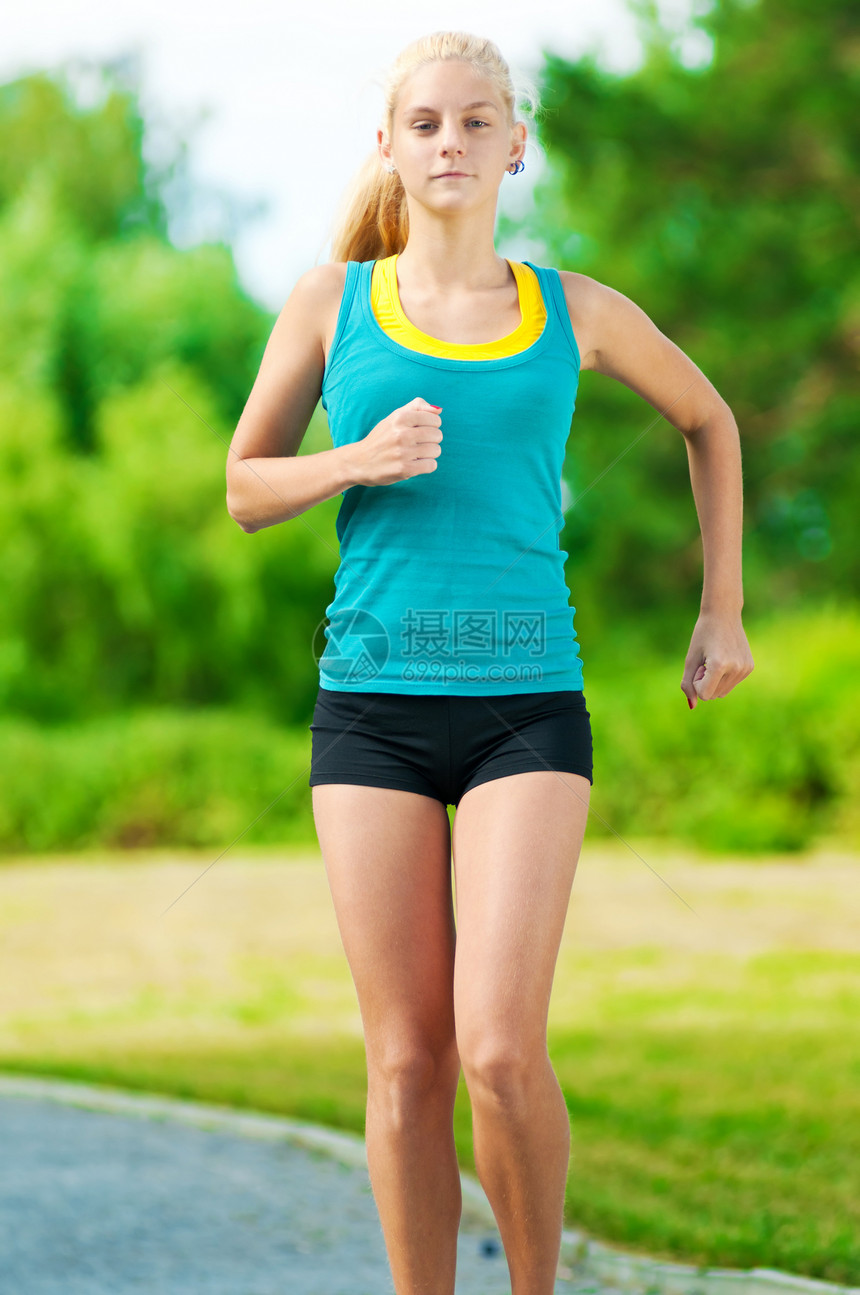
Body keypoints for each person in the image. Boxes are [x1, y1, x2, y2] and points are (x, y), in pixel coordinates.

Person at [225, 29, 754, 1295]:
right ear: (390, 147)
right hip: (371, 711)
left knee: (500, 1049)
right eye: (425, 124)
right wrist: (353, 460)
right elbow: (245, 486)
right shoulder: (329, 301)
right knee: (405, 1059)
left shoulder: (571, 310)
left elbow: (707, 417)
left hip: (525, 703)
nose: (450, 143)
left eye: (476, 122)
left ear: (515, 144)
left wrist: (719, 609)